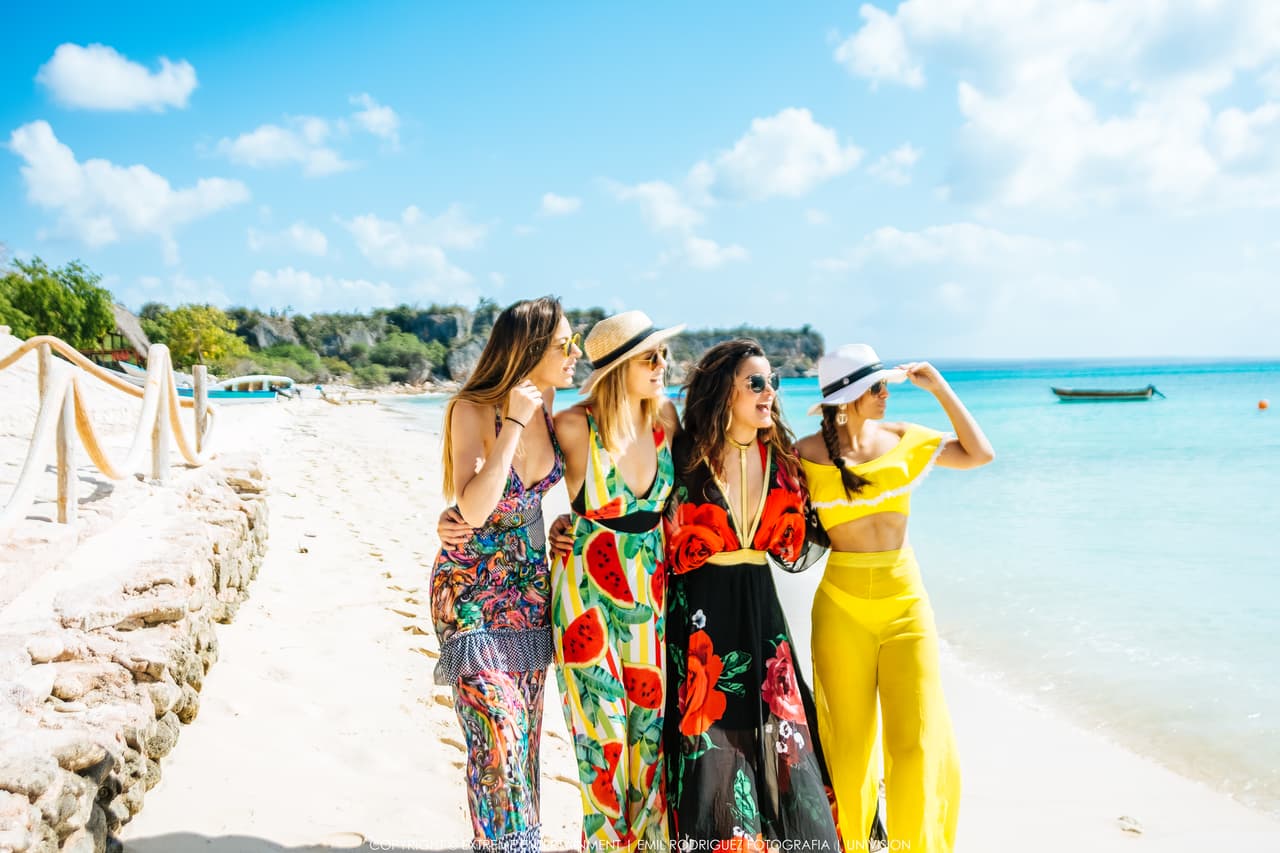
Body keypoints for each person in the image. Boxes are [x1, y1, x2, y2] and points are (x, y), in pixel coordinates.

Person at [794, 343, 994, 852]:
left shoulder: (903, 439)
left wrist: (940, 388)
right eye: (876, 387)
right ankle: (855, 845)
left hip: (907, 606)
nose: (885, 395)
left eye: (885, 385)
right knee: (851, 749)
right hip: (841, 610)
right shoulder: (802, 455)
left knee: (916, 743)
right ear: (850, 396)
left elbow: (979, 453)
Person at [662, 339, 841, 849]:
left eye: (774, 383)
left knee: (780, 737)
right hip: (701, 616)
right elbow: (636, 507)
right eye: (756, 383)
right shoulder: (686, 453)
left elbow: (830, 519)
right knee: (711, 743)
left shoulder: (784, 458)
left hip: (761, 611)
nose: (770, 394)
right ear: (725, 392)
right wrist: (567, 523)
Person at [429, 296, 582, 853]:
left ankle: (522, 843)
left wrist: (567, 524)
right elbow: (470, 509)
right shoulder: (472, 408)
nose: (574, 354)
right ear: (530, 346)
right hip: (469, 592)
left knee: (526, 741)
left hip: (530, 592)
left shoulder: (557, 410)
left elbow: (569, 498)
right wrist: (513, 423)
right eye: (565, 343)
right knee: (498, 733)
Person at [550, 310, 683, 852]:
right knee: (601, 744)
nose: (662, 365)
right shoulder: (574, 426)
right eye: (649, 357)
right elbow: (518, 484)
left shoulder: (667, 420)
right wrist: (554, 526)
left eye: (663, 355)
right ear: (618, 368)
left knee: (648, 745)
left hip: (651, 600)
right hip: (585, 601)